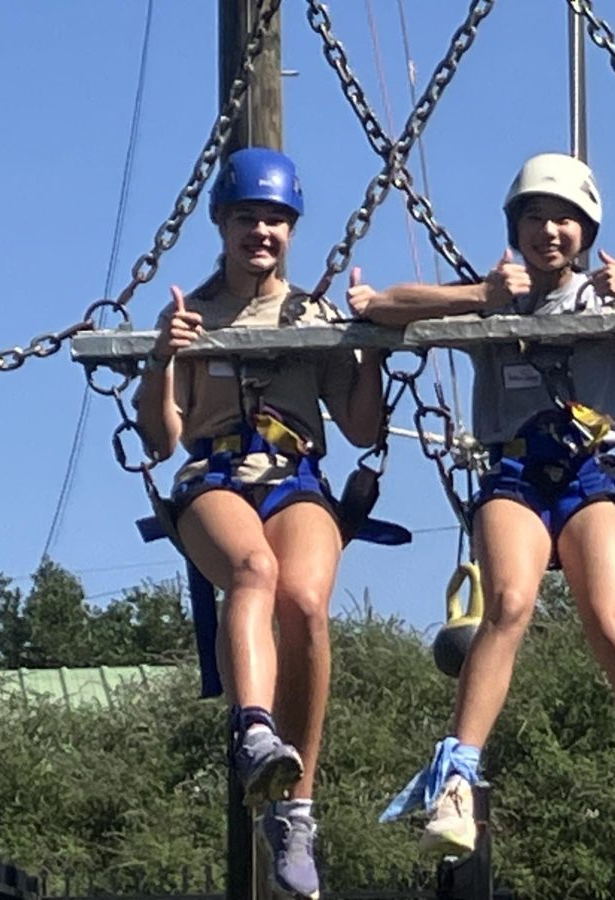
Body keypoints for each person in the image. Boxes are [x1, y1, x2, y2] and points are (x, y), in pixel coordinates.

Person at [349, 152, 615, 878]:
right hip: (516, 472)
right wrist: (479, 296)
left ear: (585, 230)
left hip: (591, 473)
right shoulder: (492, 298)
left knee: (612, 622)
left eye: (564, 220)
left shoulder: (606, 297)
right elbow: (383, 305)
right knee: (509, 605)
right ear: (515, 227)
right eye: (535, 218)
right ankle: (456, 782)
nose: (549, 232)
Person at [136, 147, 388, 900]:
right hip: (213, 477)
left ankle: (296, 810)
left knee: (306, 603)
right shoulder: (190, 316)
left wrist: (368, 344)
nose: (262, 233)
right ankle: (253, 727)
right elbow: (160, 439)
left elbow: (361, 425)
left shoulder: (311, 315)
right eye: (249, 218)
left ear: (292, 230)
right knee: (255, 571)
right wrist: (160, 360)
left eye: (275, 220)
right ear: (223, 223)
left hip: (295, 476)